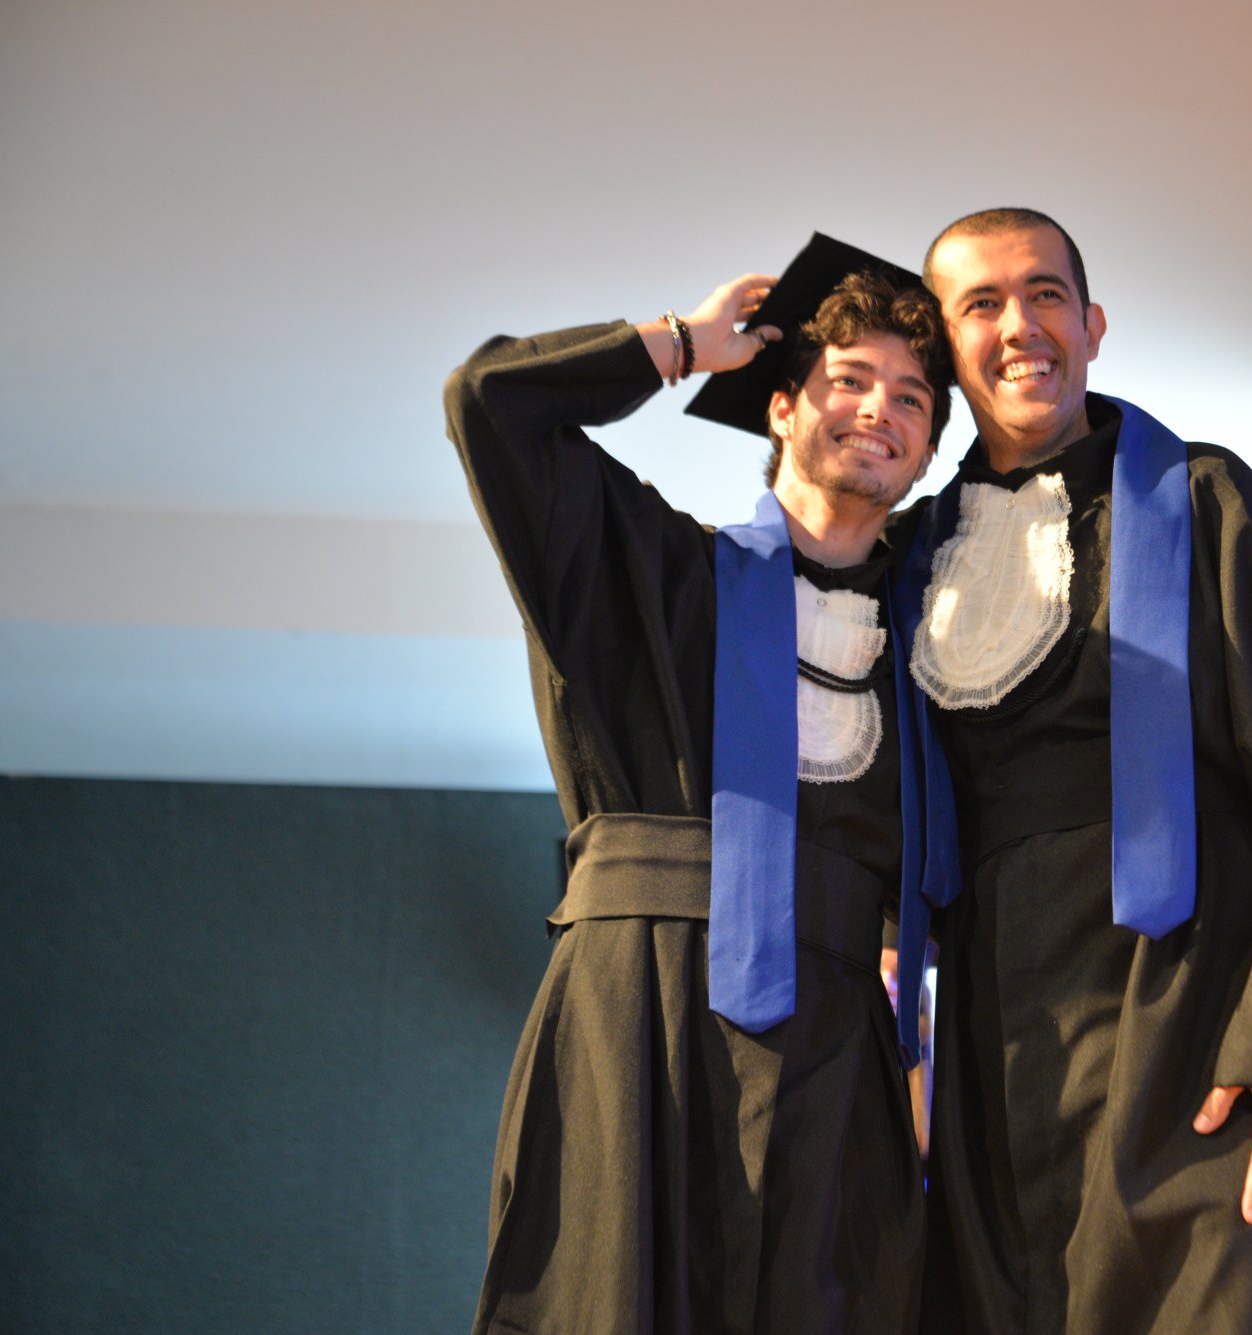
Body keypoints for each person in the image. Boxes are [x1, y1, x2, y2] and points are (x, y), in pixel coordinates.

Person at [443, 243, 952, 1335]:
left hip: (836, 1059)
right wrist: (678, 344)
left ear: (922, 456)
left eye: (911, 397)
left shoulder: (933, 663)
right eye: (849, 379)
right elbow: (487, 404)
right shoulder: (648, 573)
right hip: (641, 1015)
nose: (880, 408)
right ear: (780, 406)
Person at [901, 208, 1252, 1334]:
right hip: (1001, 1057)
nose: (1019, 325)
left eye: (1045, 294)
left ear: (1092, 324)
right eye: (982, 304)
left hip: (1194, 1032)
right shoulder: (917, 557)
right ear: (945, 347)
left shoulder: (1203, 499)